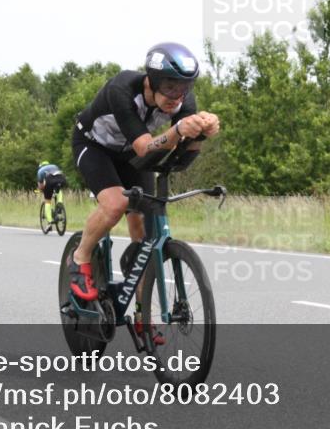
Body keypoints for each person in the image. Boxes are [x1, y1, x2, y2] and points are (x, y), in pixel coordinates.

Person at [67, 43, 220, 303]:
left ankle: (143, 317)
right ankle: (80, 258)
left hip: (130, 156)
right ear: (151, 81)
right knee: (116, 205)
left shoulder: (183, 101)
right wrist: (179, 130)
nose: (176, 96)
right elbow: (144, 148)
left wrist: (201, 135)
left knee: (146, 234)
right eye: (170, 86)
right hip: (94, 146)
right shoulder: (122, 89)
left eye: (184, 88)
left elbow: (181, 155)